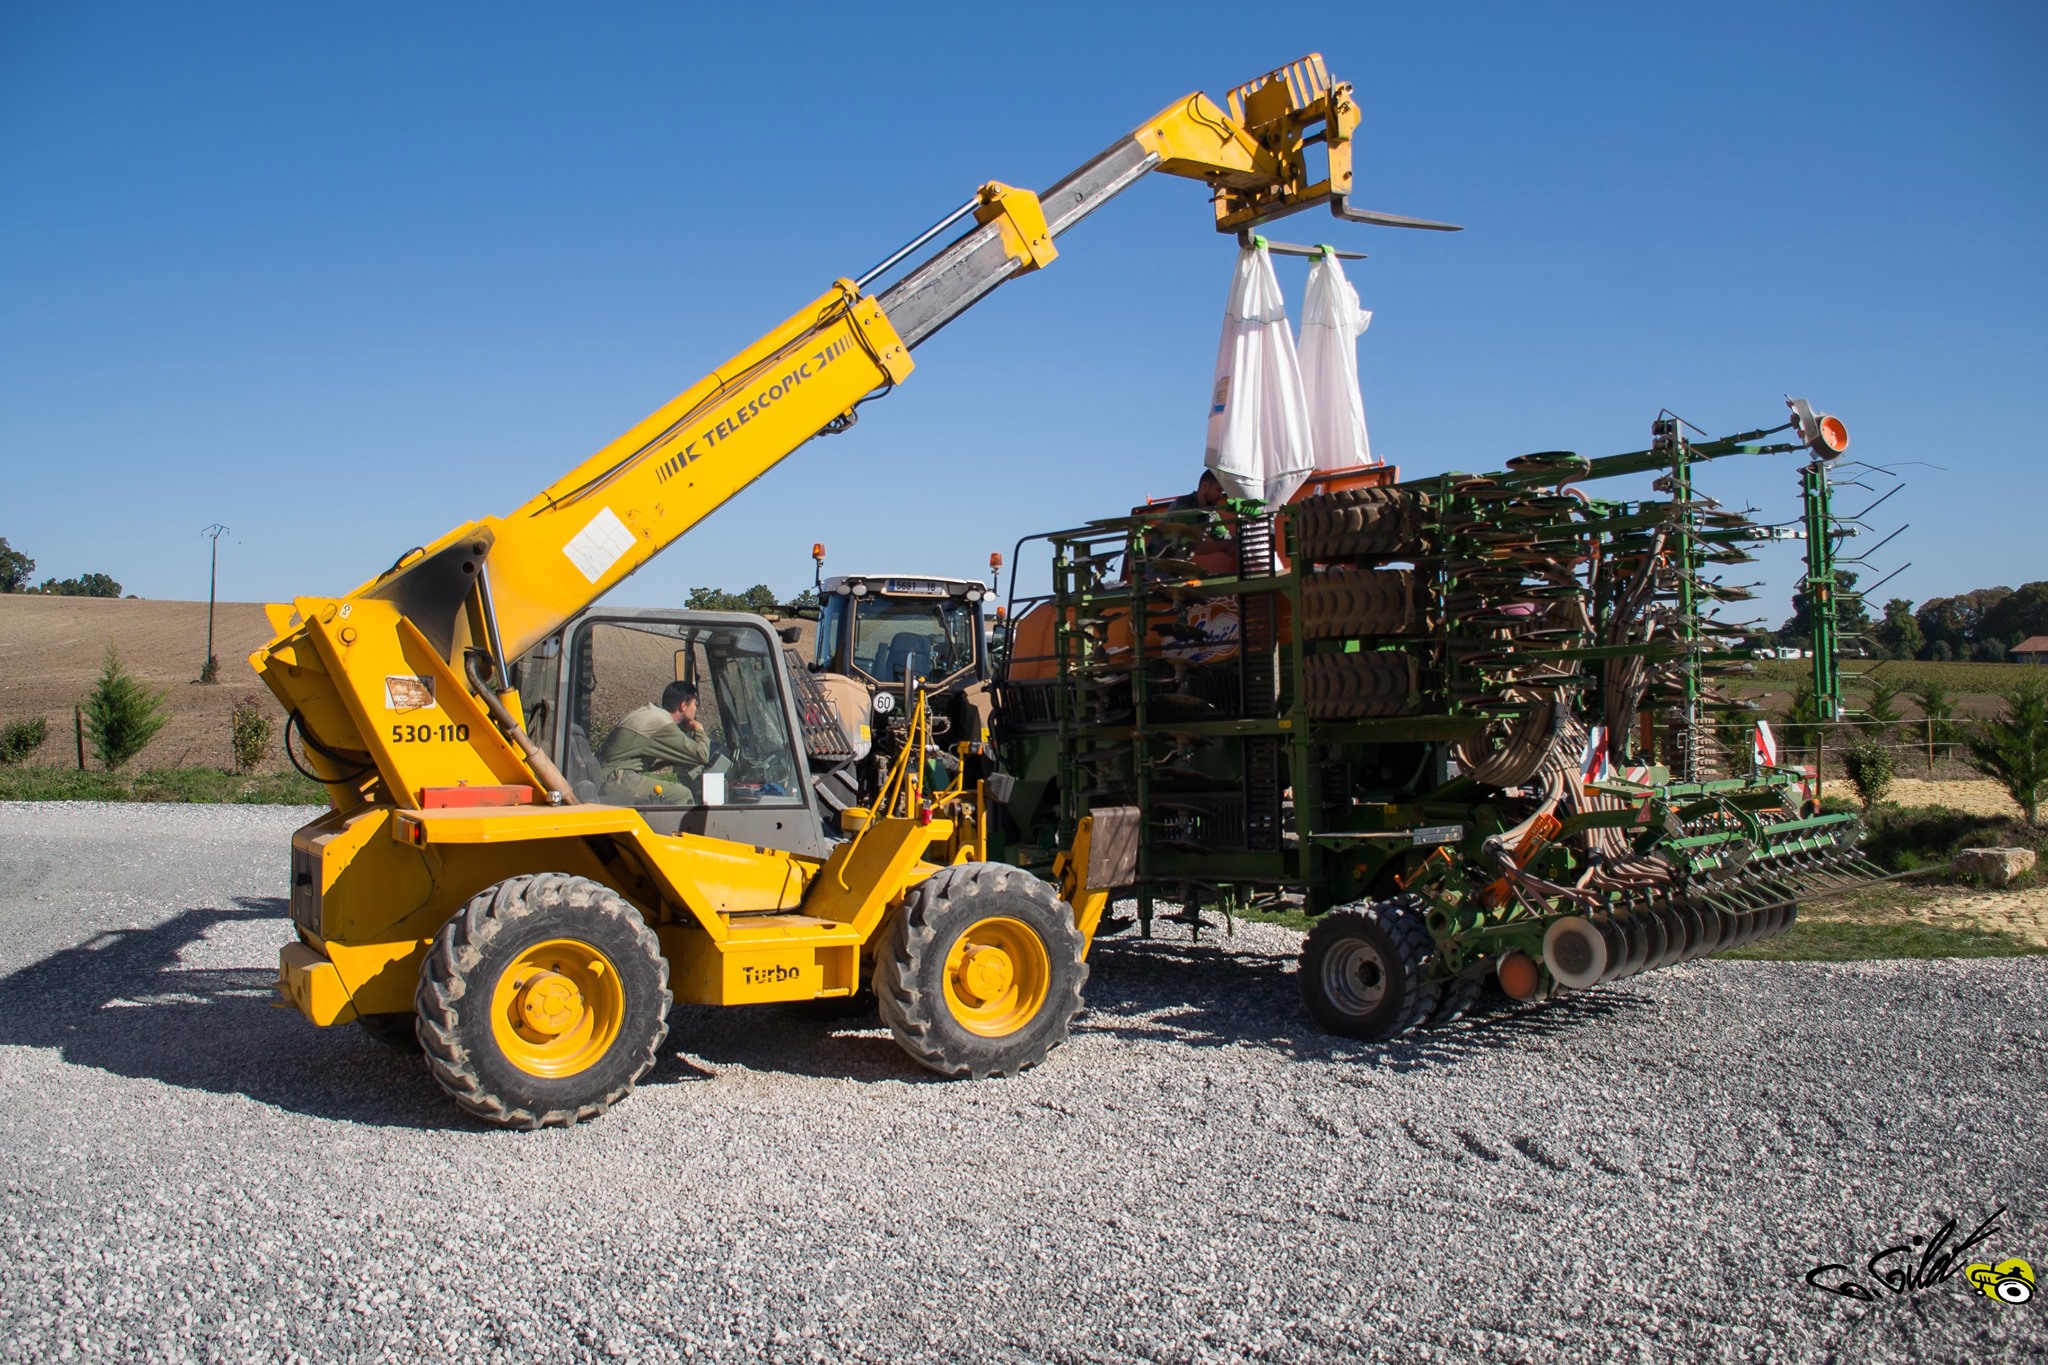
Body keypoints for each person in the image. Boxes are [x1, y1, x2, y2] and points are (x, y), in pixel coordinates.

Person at [598, 680, 712, 805]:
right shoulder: (662, 723)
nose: (696, 709)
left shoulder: (650, 713)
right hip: (615, 781)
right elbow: (702, 755)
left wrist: (669, 760)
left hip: (607, 777)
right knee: (681, 794)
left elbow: (634, 757)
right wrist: (698, 728)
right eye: (696, 704)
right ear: (683, 705)